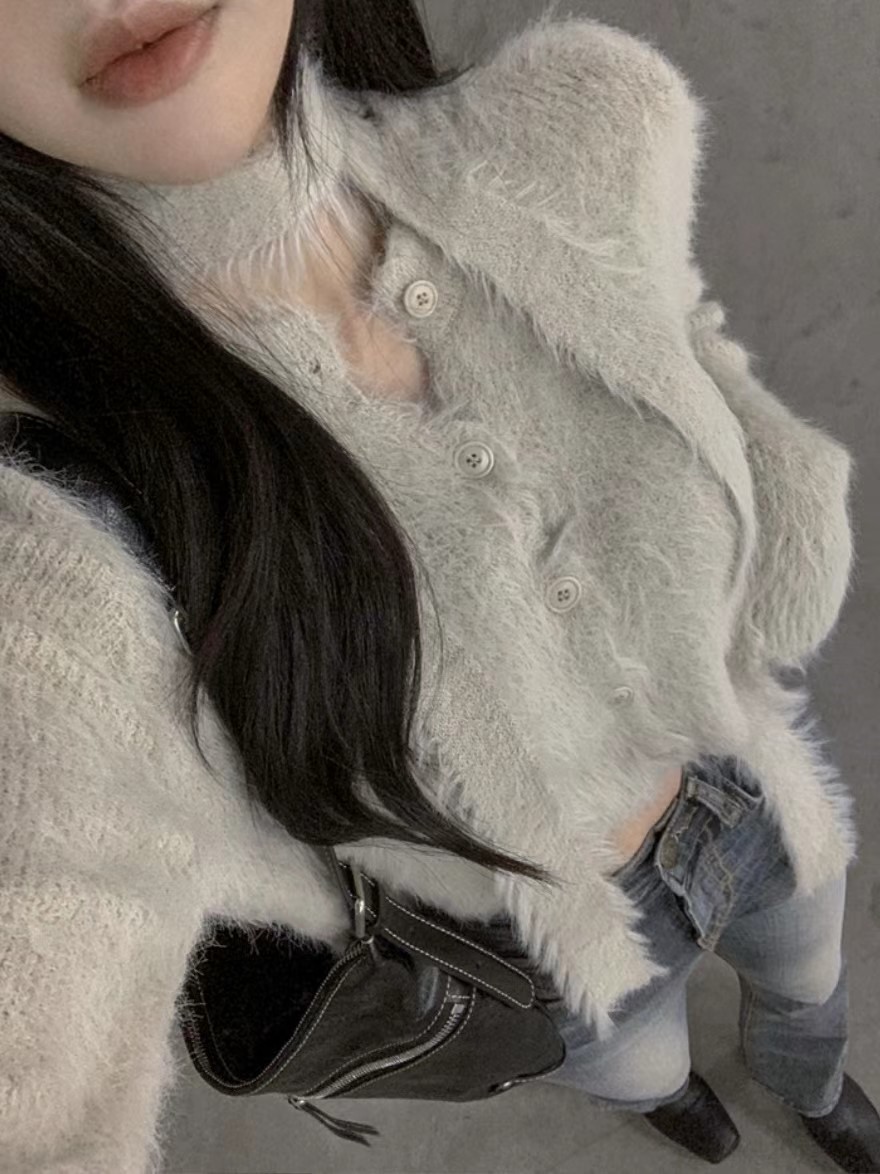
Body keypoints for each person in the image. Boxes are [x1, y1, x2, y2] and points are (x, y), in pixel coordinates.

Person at [0, 1, 876, 1170]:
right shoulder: (59, 517)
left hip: (753, 772)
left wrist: (764, 470)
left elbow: (688, 343)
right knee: (644, 1064)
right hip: (549, 945)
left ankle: (808, 1082)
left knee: (809, 984)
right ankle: (676, 1101)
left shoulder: (574, 119)